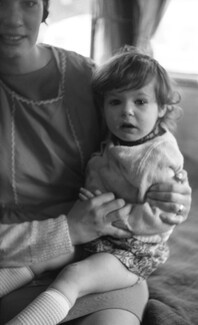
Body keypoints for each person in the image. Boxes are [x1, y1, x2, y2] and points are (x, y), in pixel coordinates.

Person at [0, 1, 191, 325]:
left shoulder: (86, 77)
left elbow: (139, 149)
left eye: (29, 1)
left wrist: (175, 194)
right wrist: (67, 230)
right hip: (16, 253)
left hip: (104, 252)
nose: (13, 19)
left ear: (45, 9)